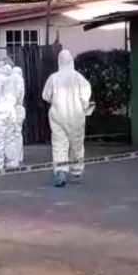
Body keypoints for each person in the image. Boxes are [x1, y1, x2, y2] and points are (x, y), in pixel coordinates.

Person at [42, 49, 92, 187]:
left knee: (59, 144)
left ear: (59, 61)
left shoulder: (53, 78)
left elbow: (46, 95)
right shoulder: (78, 78)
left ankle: (61, 171)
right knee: (76, 143)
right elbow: (85, 95)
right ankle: (76, 171)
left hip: (57, 115)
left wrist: (55, 100)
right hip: (76, 114)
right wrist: (83, 105)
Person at [12, 66, 26, 166]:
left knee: (13, 133)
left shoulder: (13, 80)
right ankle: (18, 156)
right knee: (17, 133)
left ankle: (15, 156)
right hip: (17, 108)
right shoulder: (19, 80)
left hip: (14, 109)